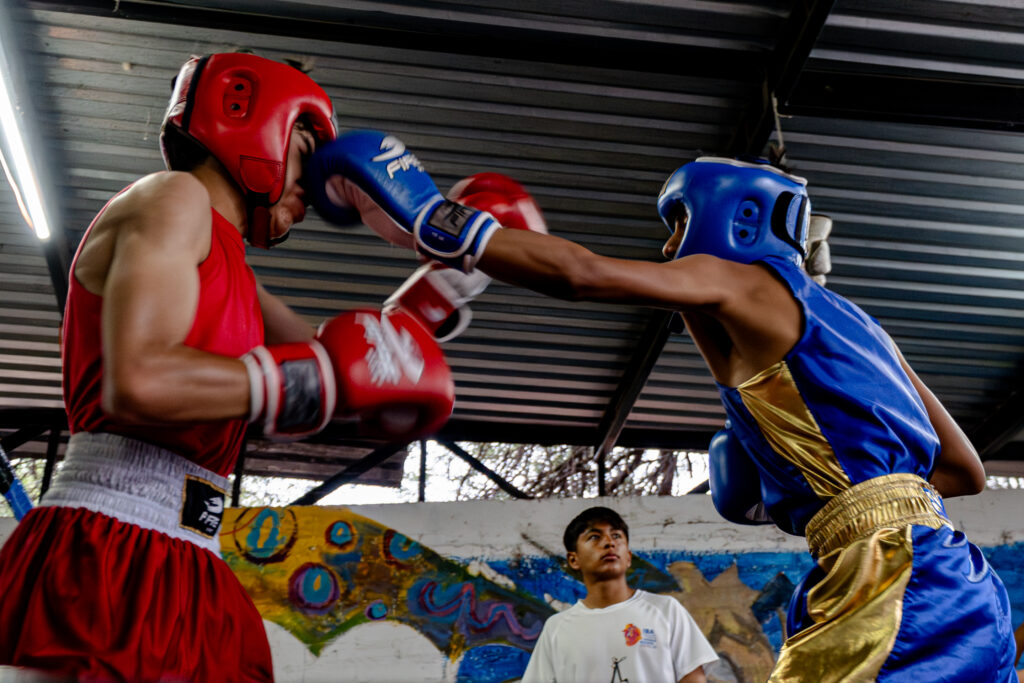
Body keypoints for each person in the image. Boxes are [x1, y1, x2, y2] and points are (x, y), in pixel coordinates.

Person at [304, 133, 1019, 681]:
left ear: (736, 219)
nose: (670, 244)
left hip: (890, 581)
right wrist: (815, 485)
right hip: (952, 575)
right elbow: (963, 469)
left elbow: (584, 276)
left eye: (676, 222)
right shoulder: (862, 328)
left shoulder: (741, 279)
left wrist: (442, 221)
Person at [0, 55, 452, 681]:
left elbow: (360, 378)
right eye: (307, 147)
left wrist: (443, 274)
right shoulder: (172, 196)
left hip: (192, 555)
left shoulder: (236, 267)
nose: (318, 183)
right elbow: (140, 380)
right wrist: (313, 377)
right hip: (112, 547)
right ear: (250, 115)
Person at [520, 506, 717, 683]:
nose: (609, 543)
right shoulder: (557, 629)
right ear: (574, 559)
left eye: (616, 536)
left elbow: (693, 678)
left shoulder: (665, 610)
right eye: (594, 537)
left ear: (628, 557)